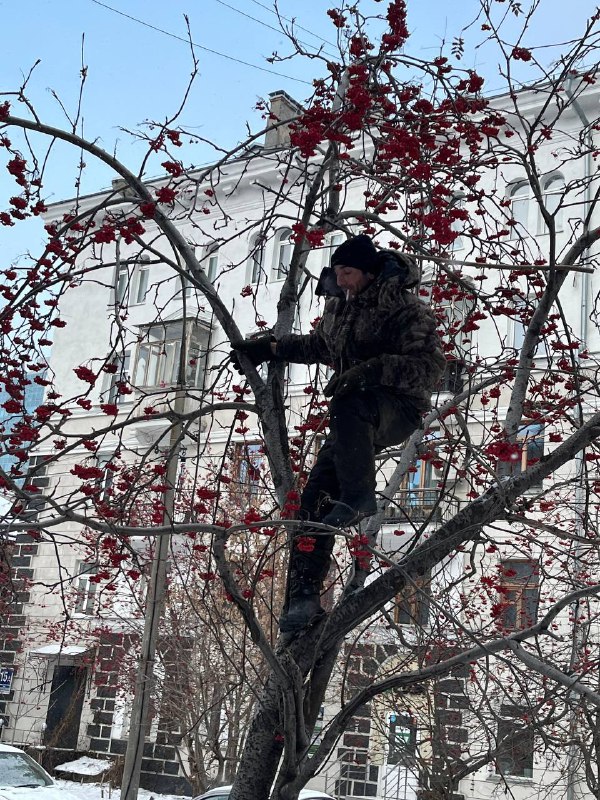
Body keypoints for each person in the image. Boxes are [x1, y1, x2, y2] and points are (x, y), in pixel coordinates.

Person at [232, 234, 446, 633]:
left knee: (349, 401)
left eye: (348, 273)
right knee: (311, 504)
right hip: (352, 419)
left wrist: (370, 370)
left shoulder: (404, 309)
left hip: (396, 407)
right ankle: (303, 601)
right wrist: (271, 347)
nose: (342, 280)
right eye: (338, 273)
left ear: (367, 272)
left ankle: (359, 496)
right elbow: (321, 347)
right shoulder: (338, 306)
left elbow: (431, 368)